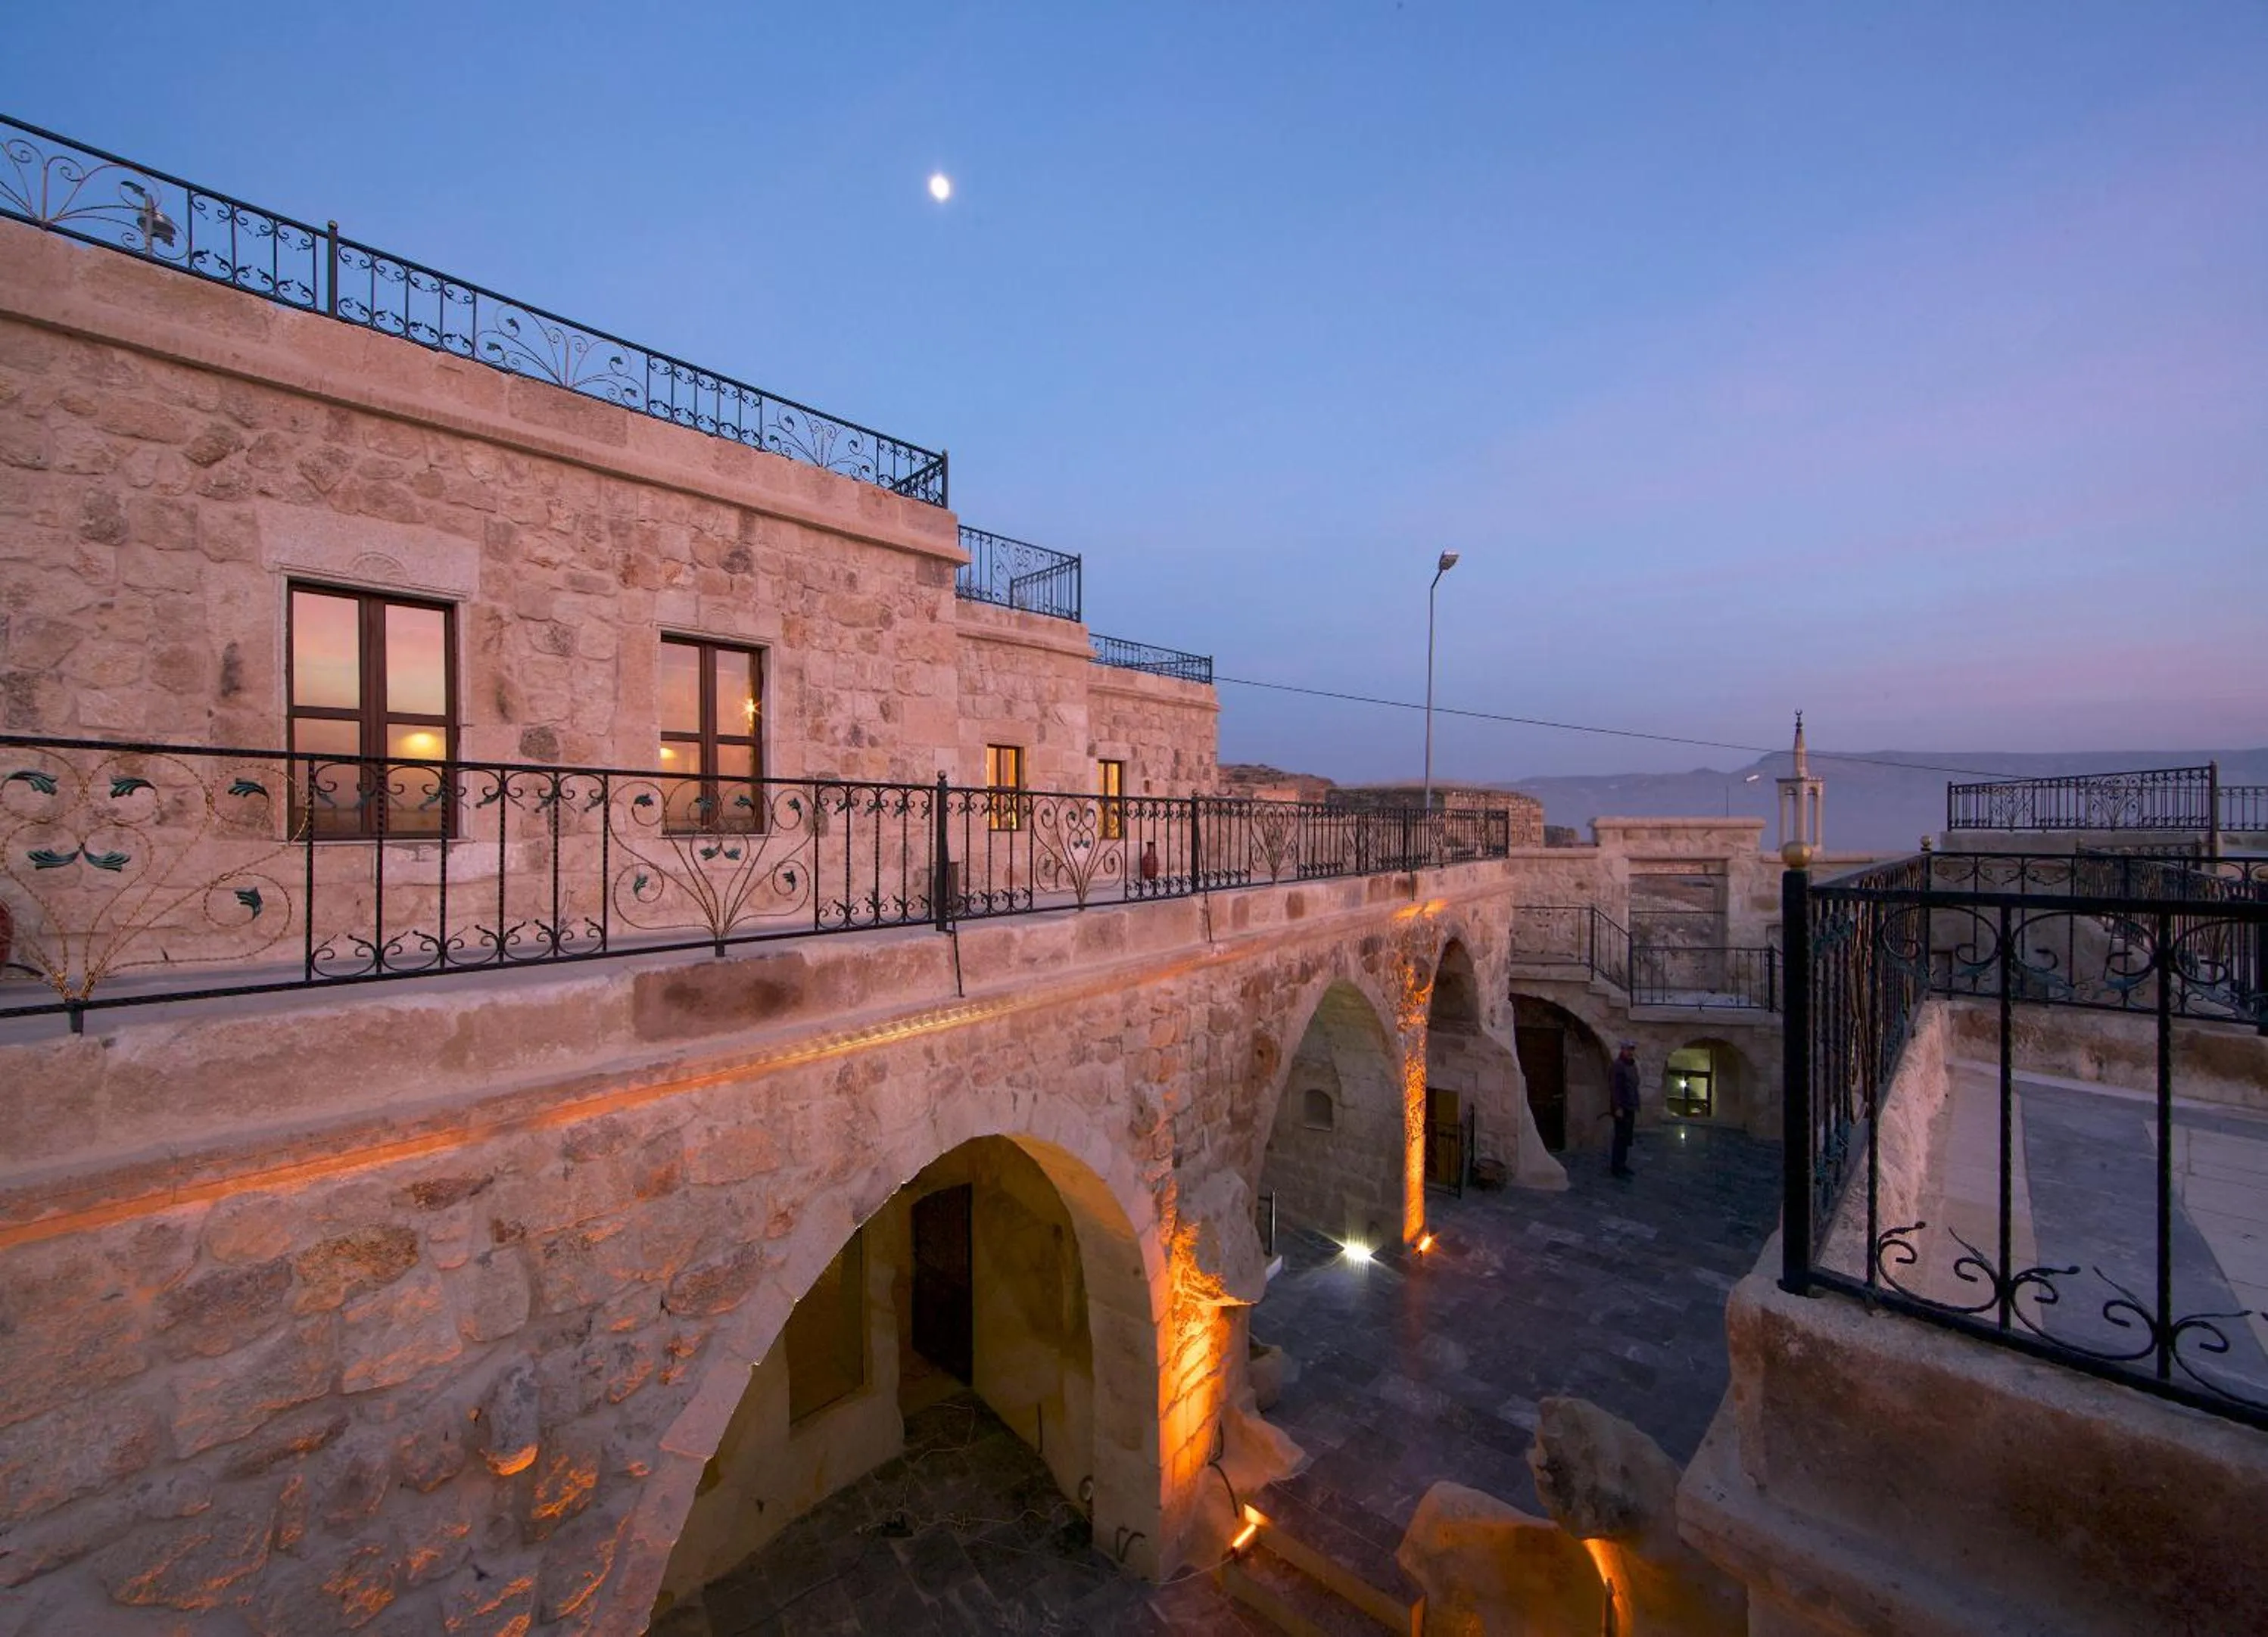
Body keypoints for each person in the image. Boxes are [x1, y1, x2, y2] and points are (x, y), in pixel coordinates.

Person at [1609, 1043, 1640, 1178]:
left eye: (1632, 1050)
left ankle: (1622, 1164)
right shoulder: (1618, 1066)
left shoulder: (1632, 1065)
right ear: (1623, 1050)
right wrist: (1617, 1107)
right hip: (1622, 1107)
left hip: (1630, 1106)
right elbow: (1615, 1088)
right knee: (1620, 1137)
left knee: (1626, 1137)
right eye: (1628, 1049)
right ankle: (1616, 1166)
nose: (1630, 1052)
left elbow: (1633, 1085)